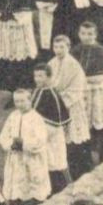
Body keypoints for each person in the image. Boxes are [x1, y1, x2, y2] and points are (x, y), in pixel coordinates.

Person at [46, 35, 93, 179]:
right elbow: (48, 83)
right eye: (56, 47)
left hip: (71, 105)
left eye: (62, 47)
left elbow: (77, 88)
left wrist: (62, 101)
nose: (58, 50)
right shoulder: (51, 63)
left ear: (68, 47)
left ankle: (83, 171)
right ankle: (64, 173)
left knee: (75, 138)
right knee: (61, 140)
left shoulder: (73, 65)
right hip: (57, 106)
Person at [0, 88, 51, 205]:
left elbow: (41, 139)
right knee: (17, 181)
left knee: (33, 180)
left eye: (22, 101)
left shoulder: (36, 118)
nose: (19, 104)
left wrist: (24, 143)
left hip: (31, 157)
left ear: (30, 100)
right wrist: (10, 144)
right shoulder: (13, 116)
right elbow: (3, 136)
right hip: (16, 157)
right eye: (16, 102)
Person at [73, 21, 103, 164]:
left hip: (98, 92)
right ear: (79, 34)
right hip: (81, 93)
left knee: (100, 122)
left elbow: (102, 76)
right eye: (83, 34)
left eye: (90, 34)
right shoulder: (76, 50)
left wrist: (80, 80)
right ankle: (87, 158)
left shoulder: (100, 51)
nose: (86, 37)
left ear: (95, 35)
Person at [29, 64, 72, 193]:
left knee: (55, 163)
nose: (37, 79)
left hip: (51, 135)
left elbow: (58, 120)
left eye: (41, 76)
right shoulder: (37, 90)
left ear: (48, 77)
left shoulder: (52, 94)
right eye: (36, 76)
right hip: (40, 133)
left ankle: (62, 190)